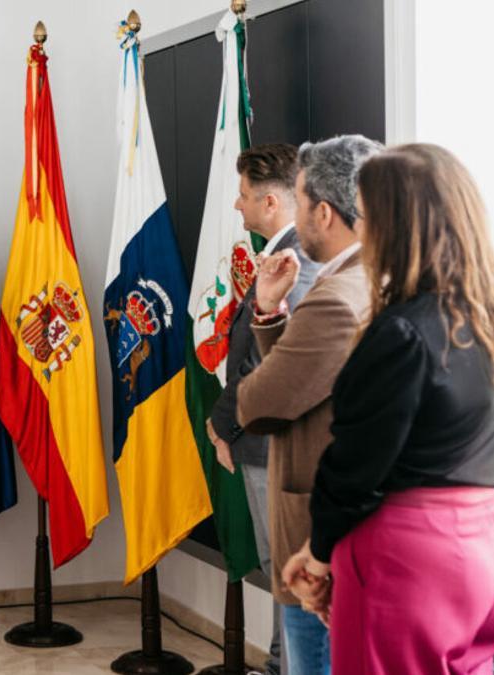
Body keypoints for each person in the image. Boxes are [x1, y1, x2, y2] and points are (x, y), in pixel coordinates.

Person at [282, 144, 494, 674]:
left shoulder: (402, 332)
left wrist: (318, 555)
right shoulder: (491, 327)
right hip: (480, 550)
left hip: (404, 559)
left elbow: (356, 466)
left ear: (395, 223)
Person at [235, 135, 382, 674]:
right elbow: (303, 382)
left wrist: (271, 330)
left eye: (297, 201)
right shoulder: (370, 278)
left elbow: (261, 403)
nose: (294, 217)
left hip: (319, 536)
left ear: (323, 211)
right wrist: (270, 316)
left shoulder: (337, 296)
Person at [205, 143, 318, 675]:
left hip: (272, 442)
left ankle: (283, 667)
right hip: (262, 437)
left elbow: (264, 364)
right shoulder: (288, 250)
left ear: (271, 203)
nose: (237, 206)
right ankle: (279, 664)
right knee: (280, 567)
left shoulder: (298, 260)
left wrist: (222, 423)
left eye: (244, 195)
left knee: (284, 566)